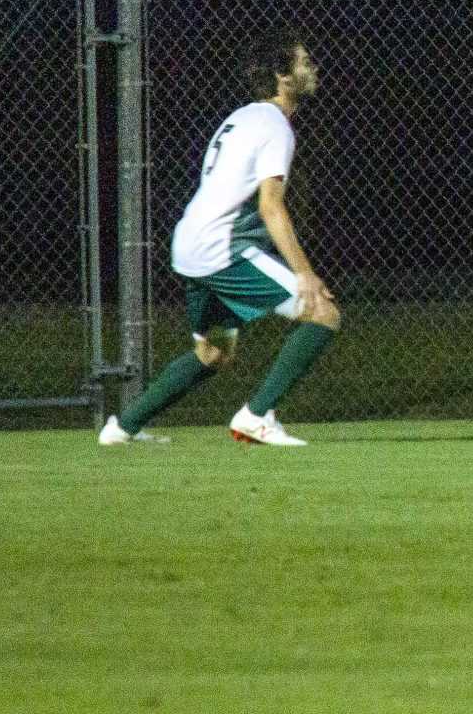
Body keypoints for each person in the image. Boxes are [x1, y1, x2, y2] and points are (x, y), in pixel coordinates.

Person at [98, 29, 344, 448]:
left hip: (190, 244)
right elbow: (271, 207)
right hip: (220, 248)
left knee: (213, 353)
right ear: (283, 77)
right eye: (304, 62)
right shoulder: (275, 127)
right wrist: (305, 274)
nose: (313, 68)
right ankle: (257, 416)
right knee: (322, 314)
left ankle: (122, 428)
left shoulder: (244, 116)